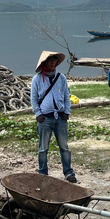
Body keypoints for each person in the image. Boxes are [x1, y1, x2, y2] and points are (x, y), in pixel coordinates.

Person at [30, 51, 77, 183]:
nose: (52, 62)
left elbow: (66, 96)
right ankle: (43, 172)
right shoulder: (36, 79)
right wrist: (38, 114)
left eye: (55, 60)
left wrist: (67, 111)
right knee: (43, 148)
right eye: (50, 60)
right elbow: (33, 99)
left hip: (60, 118)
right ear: (44, 62)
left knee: (64, 147)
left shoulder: (61, 78)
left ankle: (68, 172)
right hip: (45, 119)